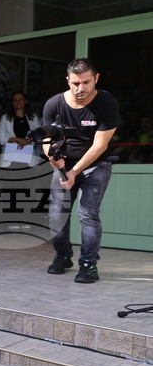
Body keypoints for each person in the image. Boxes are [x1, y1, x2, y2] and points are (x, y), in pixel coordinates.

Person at [43, 58, 119, 284]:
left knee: (87, 214)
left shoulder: (106, 102)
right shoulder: (54, 104)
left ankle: (88, 264)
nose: (80, 89)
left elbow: (100, 145)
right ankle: (63, 255)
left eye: (86, 82)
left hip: (96, 165)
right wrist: (52, 157)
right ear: (68, 81)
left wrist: (75, 171)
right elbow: (47, 139)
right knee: (56, 214)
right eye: (75, 83)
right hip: (64, 165)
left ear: (96, 79)